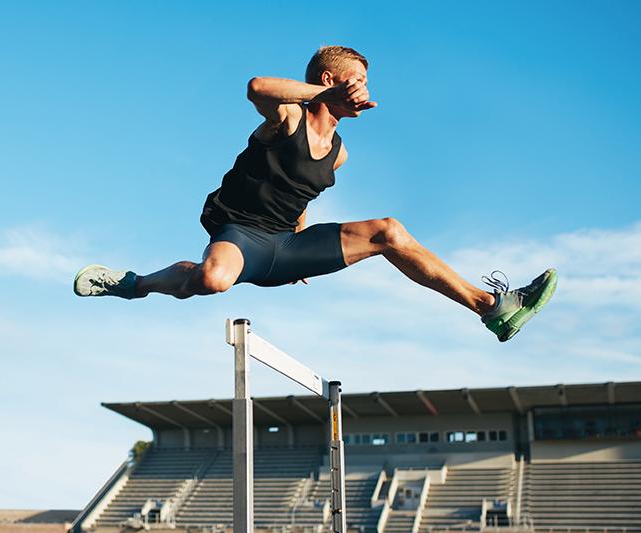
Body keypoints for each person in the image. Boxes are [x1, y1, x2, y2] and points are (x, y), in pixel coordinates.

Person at [74, 45, 557, 342]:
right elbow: (256, 85)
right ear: (329, 81)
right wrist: (321, 96)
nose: (367, 93)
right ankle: (133, 284)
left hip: (288, 247)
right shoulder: (288, 117)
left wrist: (302, 248)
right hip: (242, 235)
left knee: (389, 231)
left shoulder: (340, 153)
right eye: (360, 82)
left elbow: (301, 197)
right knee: (213, 279)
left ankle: (492, 308)